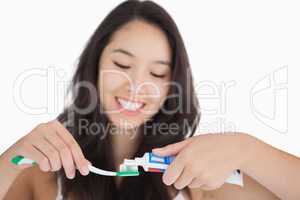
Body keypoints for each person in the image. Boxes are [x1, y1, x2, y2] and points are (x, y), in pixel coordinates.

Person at [0, 1, 299, 200]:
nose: (136, 86)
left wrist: (248, 149)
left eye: (157, 73)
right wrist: (11, 159)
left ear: (172, 85)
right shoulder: (42, 174)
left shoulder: (197, 178)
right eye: (121, 65)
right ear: (94, 64)